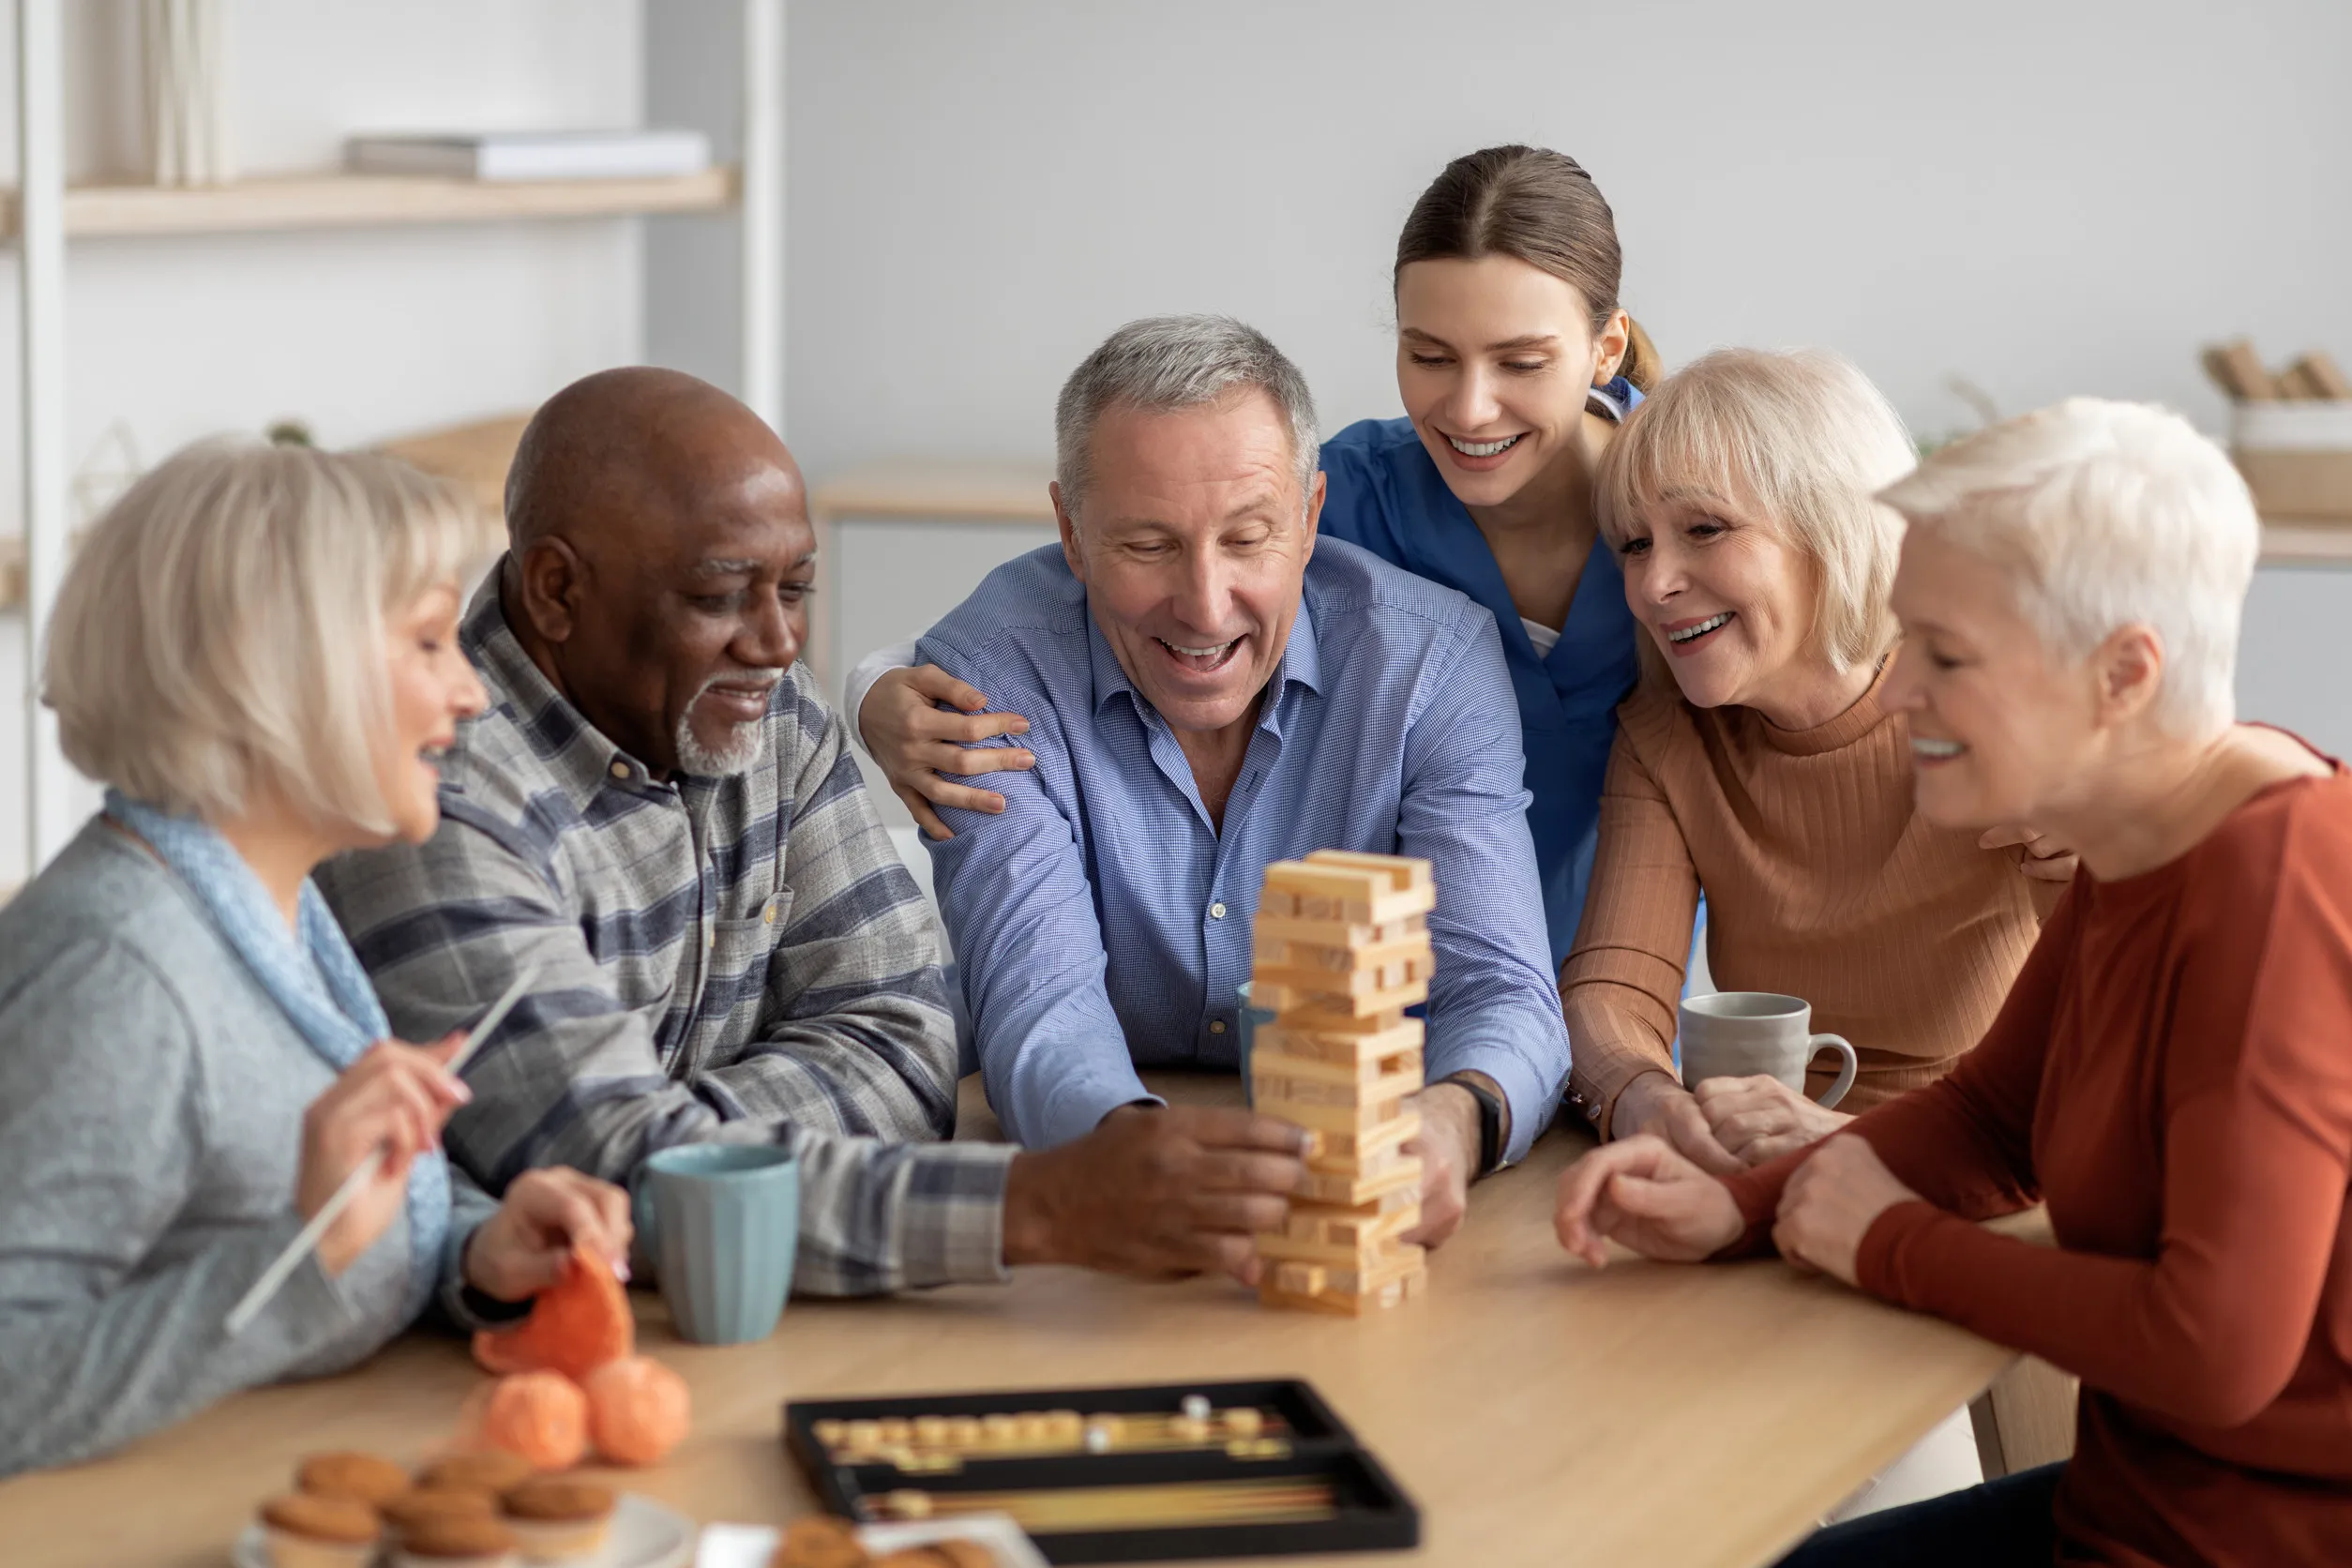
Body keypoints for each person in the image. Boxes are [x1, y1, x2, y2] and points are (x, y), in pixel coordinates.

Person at [1555, 399, 2352, 1567]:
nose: (1897, 691)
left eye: (1946, 655)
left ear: (2124, 672)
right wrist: (1744, 1203)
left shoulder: (2279, 890)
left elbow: (2219, 1351)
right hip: (2130, 1508)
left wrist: (1889, 1243)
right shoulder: (2153, 834)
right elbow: (1992, 1120)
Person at [319, 368, 1313, 1297]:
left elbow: (910, 1038)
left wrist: (682, 1149)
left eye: (794, 588)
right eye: (717, 597)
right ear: (556, 591)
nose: (781, 644)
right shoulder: (426, 794)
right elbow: (600, 1166)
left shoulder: (762, 706)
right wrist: (1033, 1208)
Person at [853, 145, 1654, 966]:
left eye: (1521, 362)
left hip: (1637, 979)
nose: (1470, 407)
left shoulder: (1697, 503)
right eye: (1430, 356)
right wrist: (874, 689)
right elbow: (1098, 577)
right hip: (1407, 1000)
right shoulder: (1344, 496)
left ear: (1605, 347)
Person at [0, 441, 633, 1478]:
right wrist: (308, 1250)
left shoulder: (270, 900)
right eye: (430, 641)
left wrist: (473, 1245)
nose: (472, 694)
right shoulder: (121, 976)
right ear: (281, 674)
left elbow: (278, 1217)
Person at [914, 315, 1573, 1245]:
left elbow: (1501, 986)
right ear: (1070, 530)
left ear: (1310, 520)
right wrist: (1142, 1164)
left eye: (1248, 538)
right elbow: (1038, 1001)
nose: (1206, 603)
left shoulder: (1433, 663)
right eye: (1147, 545)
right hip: (1100, 1217)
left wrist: (1454, 1120)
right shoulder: (989, 672)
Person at [1562, 349, 2071, 1174]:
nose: (1654, 584)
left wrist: (2083, 865)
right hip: (1763, 1172)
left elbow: (2130, 1038)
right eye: (1632, 544)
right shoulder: (1668, 739)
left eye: (1704, 529)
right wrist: (1648, 1102)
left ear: (1832, 526)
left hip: (1982, 1172)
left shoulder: (2005, 700)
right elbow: (1612, 995)